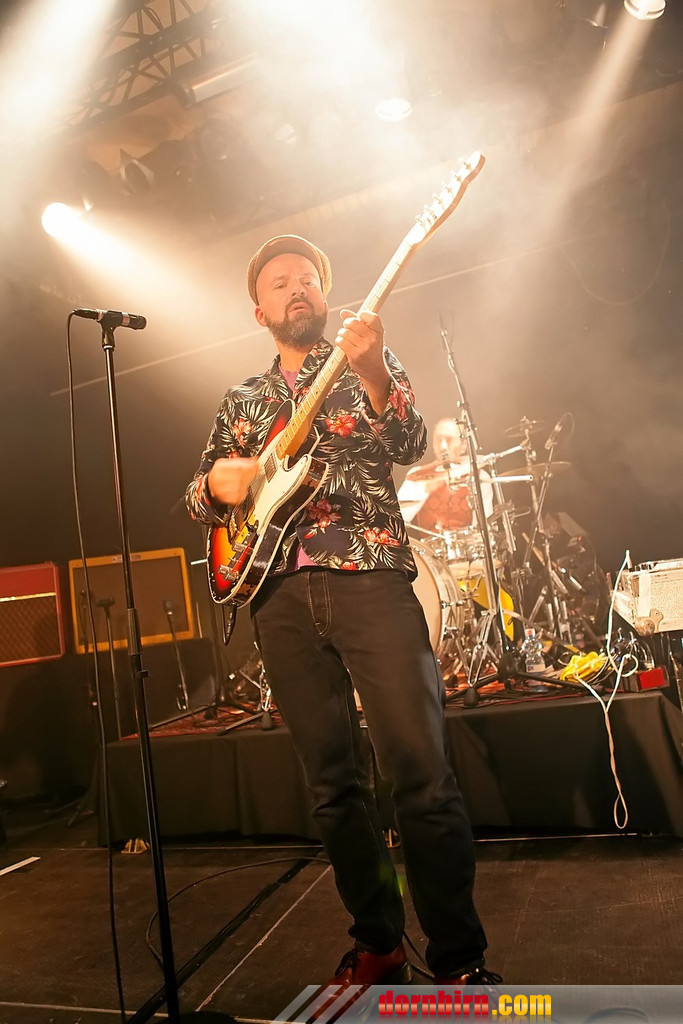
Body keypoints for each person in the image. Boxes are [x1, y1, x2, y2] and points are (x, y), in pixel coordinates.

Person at [185, 234, 498, 990]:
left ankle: (458, 959)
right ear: (258, 312)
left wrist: (373, 370)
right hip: (278, 597)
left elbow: (409, 441)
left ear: (324, 298)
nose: (296, 288)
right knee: (333, 788)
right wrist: (218, 485)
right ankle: (378, 940)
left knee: (420, 772)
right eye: (279, 283)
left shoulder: (367, 363)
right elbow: (199, 496)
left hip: (370, 579)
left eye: (308, 279)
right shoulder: (243, 400)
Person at [397, 417, 494, 535]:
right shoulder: (418, 475)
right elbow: (397, 520)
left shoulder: (479, 477)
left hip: (467, 544)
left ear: (463, 445)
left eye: (449, 440)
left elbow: (483, 530)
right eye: (438, 440)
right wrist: (424, 490)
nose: (443, 447)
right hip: (429, 545)